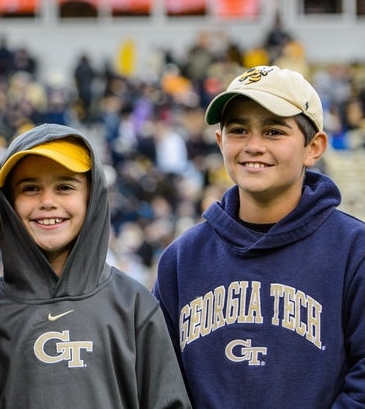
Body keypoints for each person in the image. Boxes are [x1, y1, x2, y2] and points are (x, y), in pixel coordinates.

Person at [0, 123, 191, 408]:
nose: (48, 202)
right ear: (8, 201)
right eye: (30, 188)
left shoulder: (134, 305)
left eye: (65, 187)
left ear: (92, 196)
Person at [152, 65, 365, 407]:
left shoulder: (354, 250)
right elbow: (158, 381)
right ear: (220, 142)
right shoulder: (182, 258)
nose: (253, 146)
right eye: (238, 130)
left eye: (274, 132)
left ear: (314, 147)